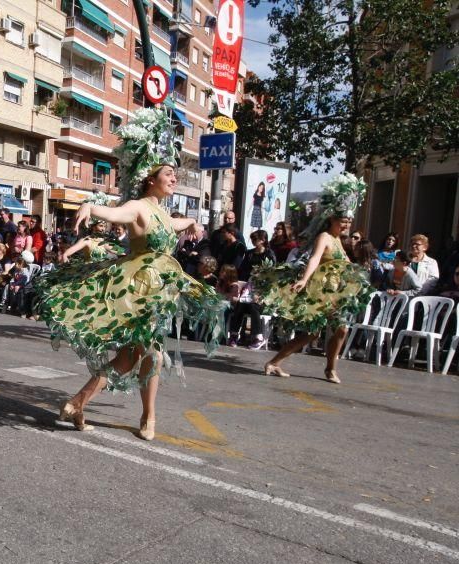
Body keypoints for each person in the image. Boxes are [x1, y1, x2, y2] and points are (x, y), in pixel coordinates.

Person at [34, 108, 226, 439]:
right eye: (169, 173)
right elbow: (116, 212)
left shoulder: (163, 214)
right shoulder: (138, 206)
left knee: (135, 355)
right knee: (151, 354)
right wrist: (90, 206)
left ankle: (81, 403)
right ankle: (144, 416)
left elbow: (177, 224)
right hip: (136, 292)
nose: (174, 177)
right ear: (151, 178)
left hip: (158, 294)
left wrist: (193, 223)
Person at [254, 173, 373, 384]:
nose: (346, 225)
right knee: (312, 334)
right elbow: (315, 259)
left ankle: (330, 368)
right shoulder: (325, 237)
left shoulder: (339, 241)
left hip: (336, 295)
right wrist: (303, 280)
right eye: (343, 221)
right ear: (332, 219)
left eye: (349, 222)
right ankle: (274, 363)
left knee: (341, 329)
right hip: (321, 293)